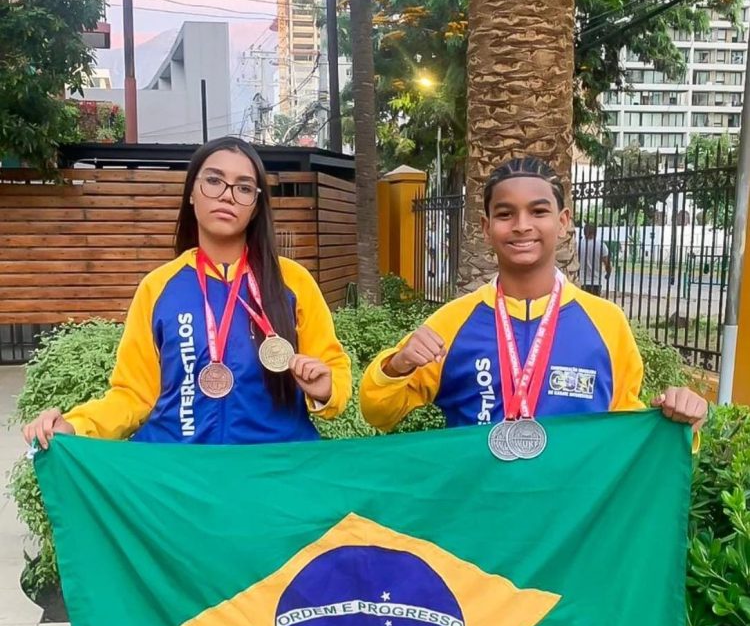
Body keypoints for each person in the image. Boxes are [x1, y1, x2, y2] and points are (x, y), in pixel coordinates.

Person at [23, 136, 352, 448]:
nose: (227, 195)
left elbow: (333, 369)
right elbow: (133, 395)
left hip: (275, 468)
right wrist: (75, 425)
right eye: (213, 181)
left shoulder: (293, 282)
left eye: (244, 187)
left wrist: (326, 390)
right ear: (192, 192)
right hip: (179, 474)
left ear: (255, 205)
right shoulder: (159, 287)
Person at [359, 155, 706, 435]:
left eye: (538, 211)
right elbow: (378, 414)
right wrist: (397, 365)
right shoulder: (452, 322)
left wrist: (680, 421)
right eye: (505, 214)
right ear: (486, 226)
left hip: (571, 518)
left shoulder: (606, 323)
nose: (522, 225)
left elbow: (626, 433)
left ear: (563, 221)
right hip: (475, 515)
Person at [578, 222, 611, 297]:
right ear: (595, 232)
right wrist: (608, 273)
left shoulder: (578, 245)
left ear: (584, 232)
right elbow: (607, 263)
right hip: (595, 282)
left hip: (582, 281)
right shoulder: (601, 245)